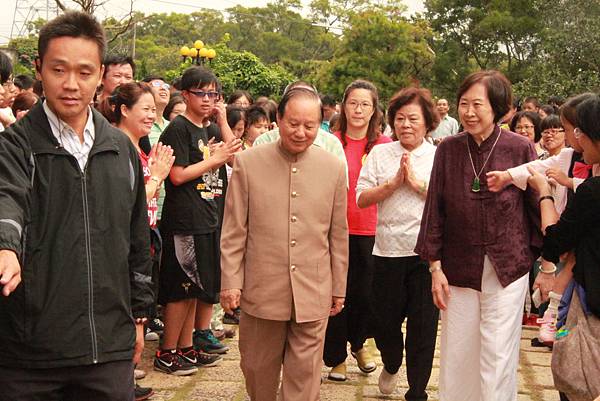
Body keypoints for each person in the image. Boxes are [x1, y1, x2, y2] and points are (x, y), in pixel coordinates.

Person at [0, 11, 153, 400]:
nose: (71, 84)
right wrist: (6, 246)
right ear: (39, 69)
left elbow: (137, 241)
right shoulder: (15, 146)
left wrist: (138, 316)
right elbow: (8, 200)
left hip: (108, 351)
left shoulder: (120, 149)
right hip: (30, 356)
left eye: (84, 73)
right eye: (58, 70)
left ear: (100, 74)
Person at [415, 70, 542, 401]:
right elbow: (435, 209)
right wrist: (435, 267)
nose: (468, 112)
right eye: (463, 104)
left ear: (498, 107)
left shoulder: (521, 148)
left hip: (507, 266)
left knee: (497, 353)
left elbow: (534, 207)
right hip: (457, 267)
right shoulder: (447, 150)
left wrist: (541, 261)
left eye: (477, 104)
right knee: (458, 353)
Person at [220, 87, 349, 401]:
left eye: (310, 125)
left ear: (321, 124)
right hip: (262, 289)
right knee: (256, 369)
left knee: (304, 378)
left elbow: (337, 234)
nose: (301, 132)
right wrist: (231, 282)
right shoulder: (248, 164)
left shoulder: (332, 167)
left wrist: (338, 286)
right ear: (278, 119)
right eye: (293, 123)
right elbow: (234, 230)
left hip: (313, 288)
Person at [155, 66, 241, 375]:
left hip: (207, 217)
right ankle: (167, 352)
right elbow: (175, 176)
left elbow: (234, 157)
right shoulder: (177, 129)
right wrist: (212, 160)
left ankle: (186, 345)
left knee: (195, 289)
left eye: (213, 94)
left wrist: (220, 122)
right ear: (185, 94)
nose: (207, 99)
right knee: (180, 290)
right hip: (184, 220)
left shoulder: (207, 129)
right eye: (201, 93)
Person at [356, 87, 439, 398]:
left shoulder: (438, 155)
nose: (406, 125)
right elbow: (361, 198)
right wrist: (392, 185)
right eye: (400, 118)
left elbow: (448, 202)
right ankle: (391, 362)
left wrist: (417, 185)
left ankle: (417, 391)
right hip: (387, 251)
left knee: (423, 328)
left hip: (425, 255)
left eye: (413, 119)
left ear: (428, 122)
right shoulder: (380, 153)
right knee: (384, 322)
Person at [527, 94, 600, 401]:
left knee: (577, 379)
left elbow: (556, 238)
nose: (577, 140)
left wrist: (544, 193)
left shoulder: (593, 192)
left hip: (591, 303)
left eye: (579, 131)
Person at [323, 80, 391, 382]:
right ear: (343, 106)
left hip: (373, 231)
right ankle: (336, 358)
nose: (359, 109)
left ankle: (360, 344)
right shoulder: (329, 141)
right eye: (353, 103)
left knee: (365, 296)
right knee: (335, 295)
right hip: (334, 230)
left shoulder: (385, 146)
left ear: (374, 109)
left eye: (365, 104)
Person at [254, 81, 347, 169]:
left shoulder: (331, 144)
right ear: (279, 116)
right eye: (293, 124)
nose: (300, 133)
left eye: (308, 126)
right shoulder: (264, 142)